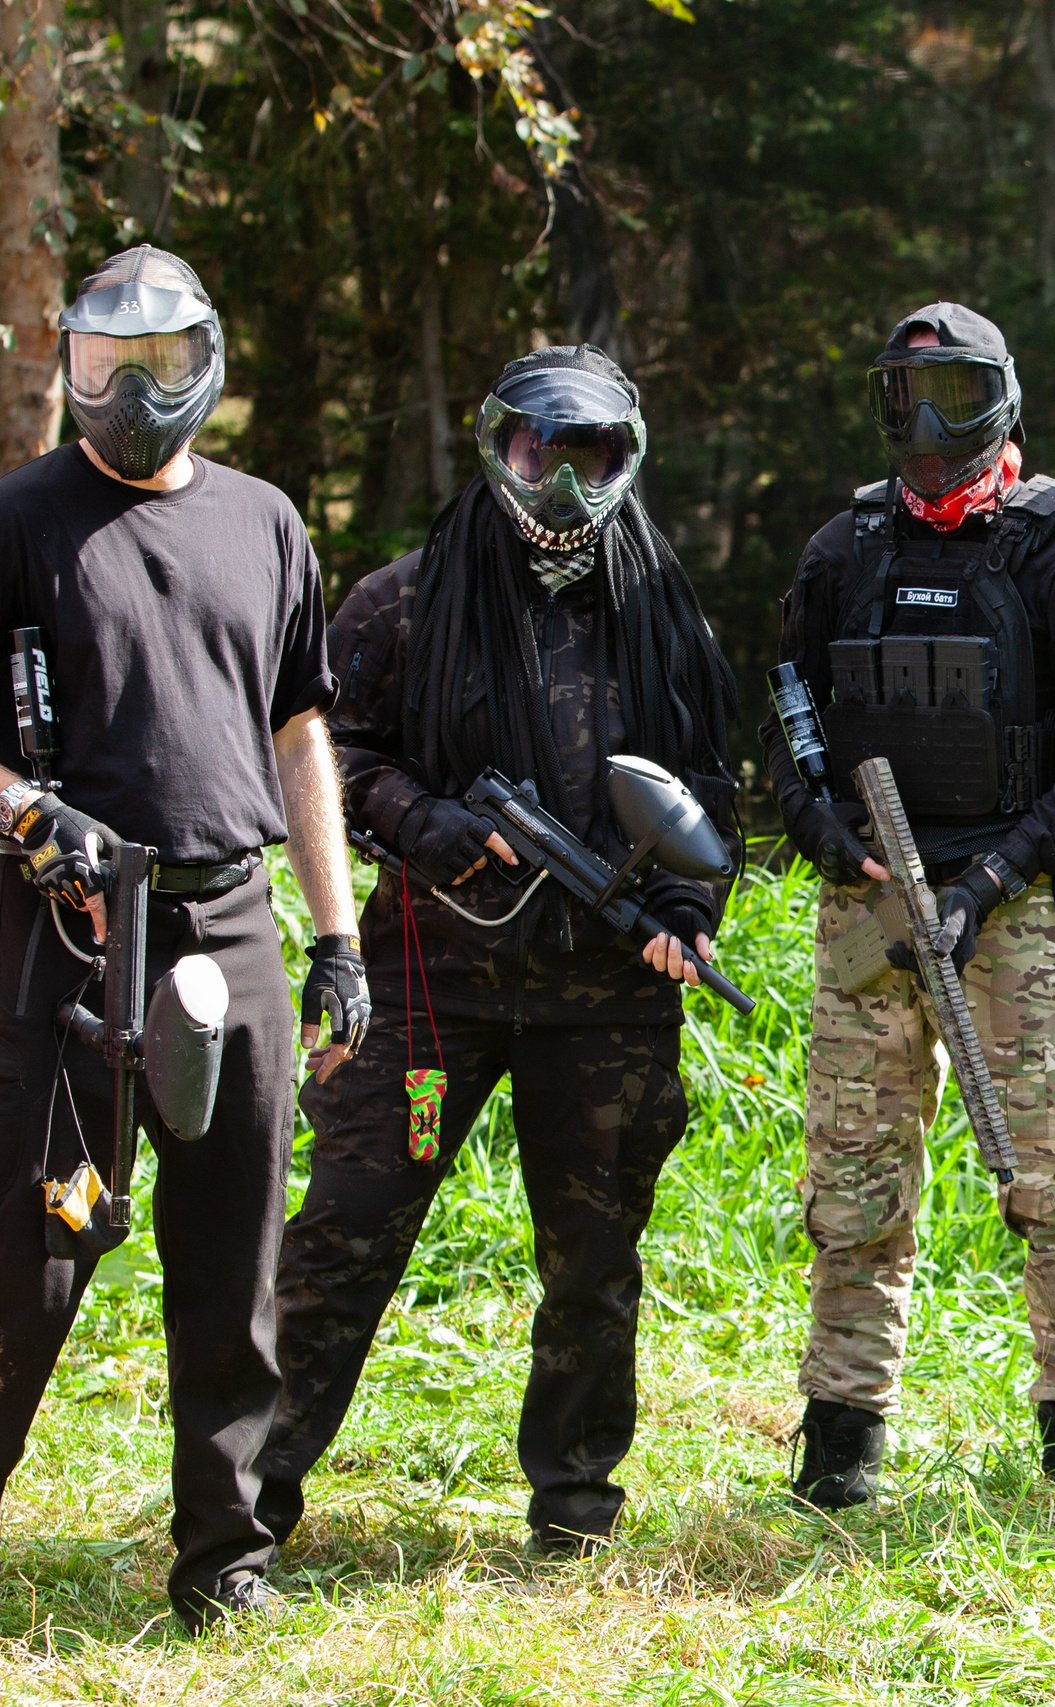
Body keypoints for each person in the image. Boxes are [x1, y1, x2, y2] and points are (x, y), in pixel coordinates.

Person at [0, 245, 370, 1663]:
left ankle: (225, 1558)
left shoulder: (266, 522)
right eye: (102, 364)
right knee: (26, 1250)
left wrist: (335, 933)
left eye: (158, 365)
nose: (131, 393)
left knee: (235, 1255)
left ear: (207, 361)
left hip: (233, 920)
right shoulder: (8, 524)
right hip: (71, 932)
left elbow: (299, 731)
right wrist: (23, 810)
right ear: (69, 364)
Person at [256, 347, 739, 1557]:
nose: (563, 487)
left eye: (593, 460)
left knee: (594, 1262)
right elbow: (322, 753)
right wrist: (426, 824)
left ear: (628, 462)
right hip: (430, 983)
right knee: (345, 1233)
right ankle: (247, 1498)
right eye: (539, 456)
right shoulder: (402, 603)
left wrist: (687, 912)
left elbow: (707, 791)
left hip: (607, 999)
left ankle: (573, 1509)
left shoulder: (661, 607)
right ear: (497, 450)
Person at [761, 303, 1055, 1504]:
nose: (930, 429)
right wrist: (830, 842)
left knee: (1047, 1180)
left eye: (957, 397)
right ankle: (840, 1446)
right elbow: (787, 725)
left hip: (1014, 908)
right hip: (870, 901)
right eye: (907, 399)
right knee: (852, 1181)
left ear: (1004, 400)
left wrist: (993, 877)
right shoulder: (844, 551)